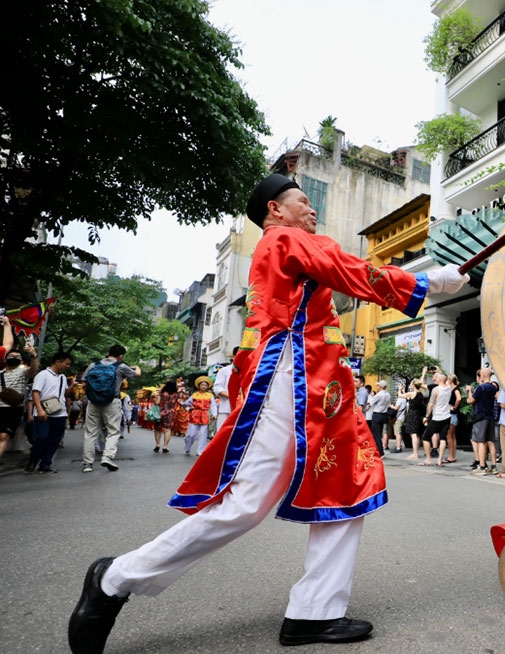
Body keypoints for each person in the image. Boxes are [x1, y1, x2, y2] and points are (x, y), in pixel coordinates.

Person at [67, 172, 468, 653]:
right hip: (293, 380)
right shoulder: (285, 240)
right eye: (302, 200)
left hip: (321, 387)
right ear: (275, 210)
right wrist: (428, 281)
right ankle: (116, 577)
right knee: (246, 502)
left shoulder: (294, 243)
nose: (311, 209)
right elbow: (352, 271)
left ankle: (315, 612)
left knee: (344, 488)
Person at [81, 345, 141, 473]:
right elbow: (137, 374)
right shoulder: (121, 367)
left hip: (93, 402)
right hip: (112, 402)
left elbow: (84, 383)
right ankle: (107, 457)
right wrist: (136, 367)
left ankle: (87, 463)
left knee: (91, 433)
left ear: (108, 353)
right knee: (113, 431)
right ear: (121, 356)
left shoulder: (93, 365)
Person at [25, 350, 73, 474]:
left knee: (54, 440)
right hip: (44, 413)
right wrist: (39, 410)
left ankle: (46, 464)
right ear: (58, 362)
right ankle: (32, 462)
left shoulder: (62, 377)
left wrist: (72, 386)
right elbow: (36, 392)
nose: (68, 366)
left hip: (60, 413)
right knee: (41, 438)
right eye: (66, 364)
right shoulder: (43, 375)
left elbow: (65, 393)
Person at [0, 347, 37, 462]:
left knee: (4, 436)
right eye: (12, 356)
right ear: (6, 359)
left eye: (17, 357)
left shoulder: (23, 372)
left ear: (21, 360)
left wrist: (33, 356)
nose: (14, 358)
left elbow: (33, 370)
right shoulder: (0, 373)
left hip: (14, 409)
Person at [467, 368, 498, 476]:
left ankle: (482, 466)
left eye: (480, 374)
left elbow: (471, 400)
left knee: (481, 442)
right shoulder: (493, 388)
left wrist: (469, 391)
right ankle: (494, 466)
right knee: (491, 441)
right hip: (490, 417)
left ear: (483, 375)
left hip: (481, 417)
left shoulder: (481, 387)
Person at [419, 372, 450, 467]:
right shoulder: (449, 387)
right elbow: (447, 377)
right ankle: (439, 460)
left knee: (425, 437)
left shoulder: (436, 390)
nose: (434, 379)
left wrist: (427, 416)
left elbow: (431, 404)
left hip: (437, 417)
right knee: (443, 438)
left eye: (436, 378)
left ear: (440, 380)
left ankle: (428, 459)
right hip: (447, 416)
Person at [182, 376, 214, 456]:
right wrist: (189, 408)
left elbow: (213, 405)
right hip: (195, 415)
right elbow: (186, 404)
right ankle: (187, 446)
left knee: (203, 434)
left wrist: (214, 414)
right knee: (191, 434)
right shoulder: (194, 395)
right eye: (202, 385)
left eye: (205, 385)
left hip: (205, 415)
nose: (204, 386)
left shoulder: (210, 395)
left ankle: (200, 450)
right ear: (199, 386)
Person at [437, 374, 461, 466]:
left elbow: (458, 398)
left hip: (452, 415)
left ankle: (451, 456)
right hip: (453, 415)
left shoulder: (455, 389)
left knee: (449, 436)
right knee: (452, 436)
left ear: (450, 380)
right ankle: (452, 455)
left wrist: (454, 407)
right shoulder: (452, 389)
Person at [212, 347, 238, 429]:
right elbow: (217, 387)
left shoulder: (251, 370)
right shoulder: (225, 370)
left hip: (244, 409)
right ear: (234, 356)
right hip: (226, 408)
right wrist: (232, 397)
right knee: (223, 434)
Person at [398, 379, 424, 459]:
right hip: (418, 414)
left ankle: (415, 453)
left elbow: (400, 395)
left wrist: (399, 389)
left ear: (413, 385)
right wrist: (403, 391)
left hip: (412, 414)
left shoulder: (412, 393)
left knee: (413, 434)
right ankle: (416, 452)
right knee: (417, 434)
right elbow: (409, 398)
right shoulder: (420, 394)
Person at [153, 380, 178, 453]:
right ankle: (165, 446)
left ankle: (157, 445)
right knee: (168, 429)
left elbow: (157, 403)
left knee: (158, 429)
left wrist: (155, 399)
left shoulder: (161, 393)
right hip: (170, 413)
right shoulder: (176, 394)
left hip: (160, 412)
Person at [370, 379, 390, 456]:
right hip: (384, 414)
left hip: (377, 414)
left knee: (376, 434)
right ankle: (379, 451)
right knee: (380, 433)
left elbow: (371, 402)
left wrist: (372, 397)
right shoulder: (388, 395)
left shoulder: (379, 395)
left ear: (381, 386)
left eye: (378, 385)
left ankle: (379, 452)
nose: (377, 386)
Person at [388, 387, 407, 453]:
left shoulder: (400, 399)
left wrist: (390, 406)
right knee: (399, 432)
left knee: (397, 433)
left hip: (398, 418)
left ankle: (398, 448)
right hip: (402, 417)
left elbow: (396, 408)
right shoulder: (405, 398)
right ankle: (399, 446)